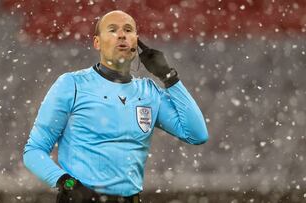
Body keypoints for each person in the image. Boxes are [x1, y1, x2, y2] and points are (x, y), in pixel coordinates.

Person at [23, 10, 209, 203]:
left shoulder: (149, 92)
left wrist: (169, 77)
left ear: (136, 42)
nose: (121, 35)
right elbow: (34, 151)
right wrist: (68, 184)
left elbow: (197, 135)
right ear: (97, 43)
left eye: (128, 30)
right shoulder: (72, 85)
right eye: (112, 30)